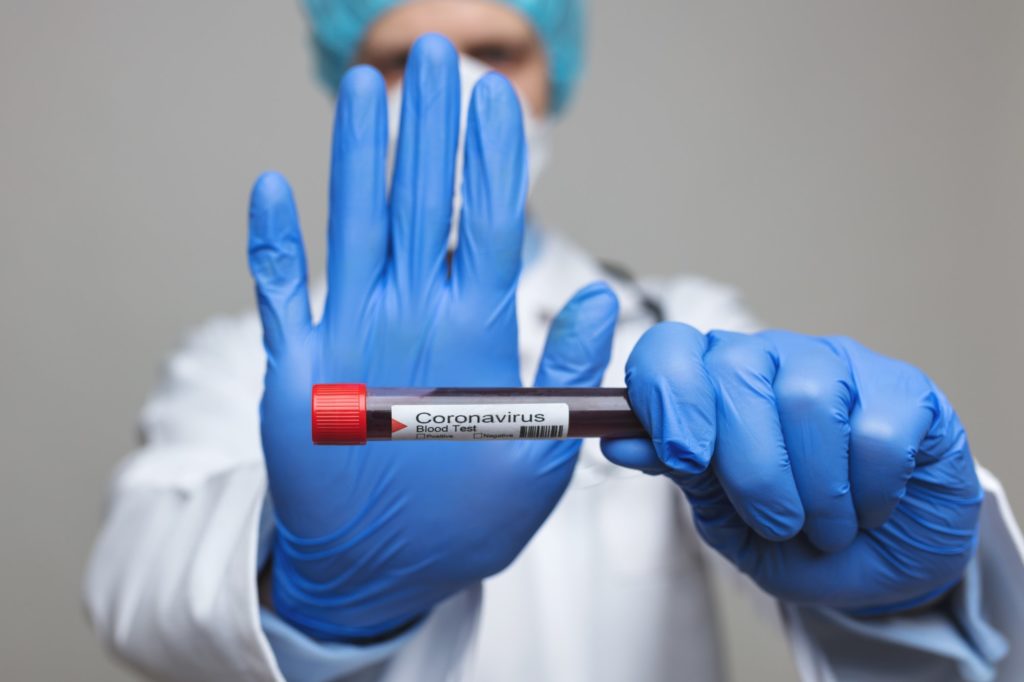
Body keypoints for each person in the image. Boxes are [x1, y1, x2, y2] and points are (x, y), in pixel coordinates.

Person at [83, 1, 1024, 680]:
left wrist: (907, 599)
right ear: (346, 75)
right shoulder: (246, 360)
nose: (454, 82)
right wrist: (312, 594)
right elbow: (134, 583)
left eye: (496, 47)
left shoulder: (675, 325)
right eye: (407, 55)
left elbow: (810, 496)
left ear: (552, 70)